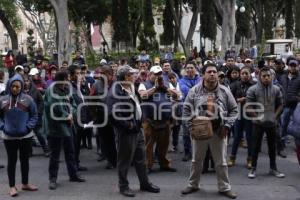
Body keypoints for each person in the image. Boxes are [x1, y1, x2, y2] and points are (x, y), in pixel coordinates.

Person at [181, 63, 238, 199]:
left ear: (217, 75)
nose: (212, 74)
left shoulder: (225, 91)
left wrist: (227, 126)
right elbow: (186, 110)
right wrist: (191, 127)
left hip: (219, 132)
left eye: (214, 72)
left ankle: (224, 187)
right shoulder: (194, 91)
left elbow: (234, 110)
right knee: (196, 160)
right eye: (209, 72)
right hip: (199, 132)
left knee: (221, 162)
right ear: (203, 75)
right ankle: (193, 184)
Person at [108, 65, 160, 197]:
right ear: (126, 76)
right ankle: (123, 186)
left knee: (141, 159)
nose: (135, 76)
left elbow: (137, 103)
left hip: (137, 128)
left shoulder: (131, 86)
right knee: (124, 160)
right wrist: (128, 125)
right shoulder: (115, 91)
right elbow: (112, 114)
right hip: (126, 131)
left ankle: (145, 183)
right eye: (132, 74)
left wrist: (140, 120)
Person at [43, 71, 85, 190]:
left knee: (70, 152)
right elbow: (55, 107)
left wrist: (72, 114)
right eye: (66, 79)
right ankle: (52, 179)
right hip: (55, 127)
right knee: (55, 155)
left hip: (67, 126)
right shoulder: (52, 90)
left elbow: (72, 103)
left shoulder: (66, 88)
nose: (67, 81)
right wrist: (67, 116)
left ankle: (73, 174)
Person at [0, 74, 38, 197]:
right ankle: (12, 186)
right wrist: (3, 127)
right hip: (9, 137)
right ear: (9, 86)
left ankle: (25, 183)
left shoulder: (28, 99)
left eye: (17, 86)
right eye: (13, 86)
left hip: (25, 136)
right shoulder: (3, 100)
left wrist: (28, 127)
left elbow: (34, 115)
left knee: (25, 160)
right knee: (12, 161)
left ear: (21, 86)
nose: (15, 88)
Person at [246, 66, 285, 179]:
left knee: (272, 147)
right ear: (259, 77)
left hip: (272, 123)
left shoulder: (276, 89)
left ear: (272, 76)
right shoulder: (253, 89)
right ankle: (253, 168)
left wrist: (275, 116)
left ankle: (273, 168)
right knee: (255, 147)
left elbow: (281, 104)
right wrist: (256, 117)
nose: (267, 78)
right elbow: (248, 106)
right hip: (257, 124)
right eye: (264, 76)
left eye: (269, 75)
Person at [139, 65, 179, 173]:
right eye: (155, 74)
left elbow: (177, 96)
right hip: (149, 120)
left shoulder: (167, 84)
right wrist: (155, 88)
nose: (158, 76)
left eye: (160, 74)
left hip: (165, 119)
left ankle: (164, 164)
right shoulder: (144, 84)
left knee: (164, 144)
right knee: (149, 145)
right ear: (150, 75)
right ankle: (148, 165)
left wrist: (164, 88)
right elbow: (143, 96)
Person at [228, 67, 255, 169]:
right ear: (240, 74)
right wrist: (238, 99)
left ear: (249, 74)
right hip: (238, 114)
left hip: (249, 114)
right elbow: (229, 98)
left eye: (246, 73)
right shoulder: (235, 85)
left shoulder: (254, 85)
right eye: (243, 73)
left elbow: (257, 98)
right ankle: (232, 158)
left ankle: (250, 159)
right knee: (237, 137)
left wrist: (248, 100)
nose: (244, 75)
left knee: (249, 137)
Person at [179, 61, 201, 161]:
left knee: (199, 131)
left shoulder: (200, 79)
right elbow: (185, 91)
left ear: (195, 69)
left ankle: (198, 152)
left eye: (191, 68)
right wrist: (195, 90)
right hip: (186, 108)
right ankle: (187, 152)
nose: (189, 70)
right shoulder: (181, 80)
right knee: (186, 132)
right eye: (187, 68)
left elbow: (201, 91)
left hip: (199, 109)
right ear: (185, 70)